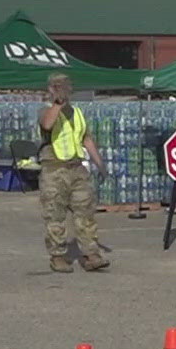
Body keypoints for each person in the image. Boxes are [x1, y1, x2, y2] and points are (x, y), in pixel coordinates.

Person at [36, 73, 108, 273]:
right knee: (55, 215)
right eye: (57, 86)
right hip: (54, 169)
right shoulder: (46, 110)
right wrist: (57, 103)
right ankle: (57, 256)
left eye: (65, 86)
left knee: (85, 213)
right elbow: (47, 124)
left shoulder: (76, 113)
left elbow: (86, 139)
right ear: (50, 90)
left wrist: (100, 165)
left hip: (77, 168)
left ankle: (90, 254)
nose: (61, 90)